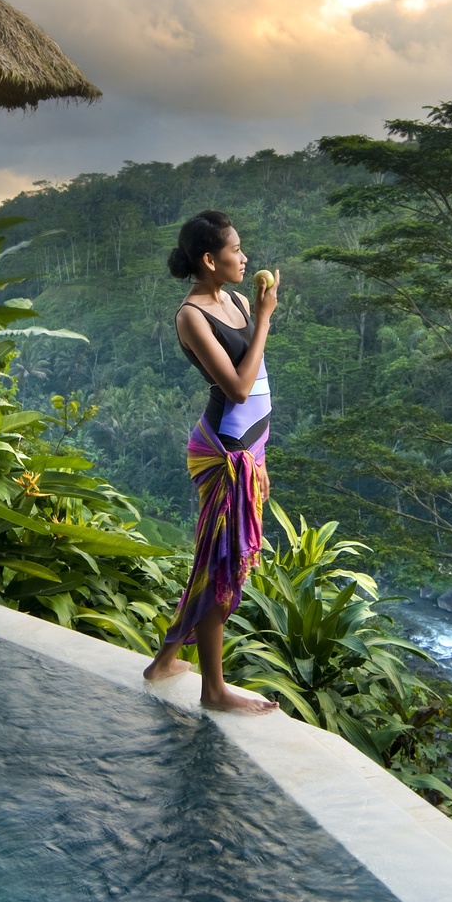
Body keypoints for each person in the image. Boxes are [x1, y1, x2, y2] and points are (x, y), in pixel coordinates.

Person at [144, 210, 278, 713]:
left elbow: (256, 372)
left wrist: (256, 314)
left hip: (251, 447)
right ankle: (213, 691)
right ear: (208, 259)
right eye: (235, 250)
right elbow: (240, 388)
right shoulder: (192, 316)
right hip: (225, 452)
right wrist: (265, 318)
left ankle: (163, 663)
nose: (244, 257)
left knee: (210, 560)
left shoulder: (238, 299)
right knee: (222, 564)